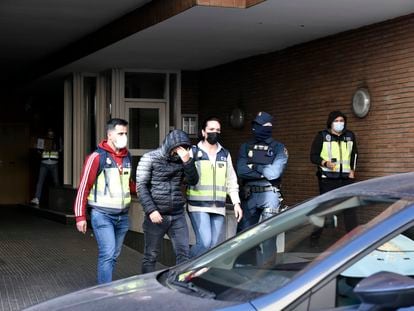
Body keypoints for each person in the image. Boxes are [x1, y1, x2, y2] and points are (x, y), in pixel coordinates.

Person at [73, 118, 134, 284]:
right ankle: (105, 292)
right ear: (109, 134)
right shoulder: (96, 157)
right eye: (120, 133)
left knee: (114, 255)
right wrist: (80, 216)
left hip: (123, 216)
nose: (124, 136)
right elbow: (84, 187)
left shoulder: (128, 157)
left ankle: (105, 285)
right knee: (107, 253)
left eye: (126, 133)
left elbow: (128, 184)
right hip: (102, 215)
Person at [137, 129, 199, 273]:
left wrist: (187, 162)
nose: (179, 152)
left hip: (177, 215)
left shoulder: (183, 160)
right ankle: (148, 289)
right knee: (150, 256)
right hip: (156, 216)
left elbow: (193, 181)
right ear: (169, 146)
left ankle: (180, 288)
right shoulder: (149, 158)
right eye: (177, 149)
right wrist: (151, 210)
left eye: (183, 148)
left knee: (184, 255)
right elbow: (141, 187)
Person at [236, 111, 288, 265]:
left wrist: (254, 166)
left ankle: (267, 273)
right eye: (258, 125)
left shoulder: (279, 148)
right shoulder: (245, 147)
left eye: (265, 126)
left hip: (270, 195)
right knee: (244, 236)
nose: (259, 129)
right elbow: (241, 170)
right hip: (249, 195)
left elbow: (274, 173)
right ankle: (243, 269)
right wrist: (264, 169)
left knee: (268, 238)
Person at [187, 116, 243, 258]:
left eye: (217, 130)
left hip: (218, 206)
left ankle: (201, 275)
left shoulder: (224, 154)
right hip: (198, 206)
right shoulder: (193, 152)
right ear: (203, 132)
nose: (214, 133)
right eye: (211, 129)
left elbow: (231, 179)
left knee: (214, 247)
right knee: (204, 243)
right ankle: (183, 266)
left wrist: (236, 203)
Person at [310, 110, 358, 243]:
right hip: (327, 179)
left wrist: (353, 170)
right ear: (330, 123)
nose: (339, 123)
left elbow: (354, 154)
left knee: (350, 210)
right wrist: (324, 163)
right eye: (336, 121)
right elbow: (313, 156)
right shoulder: (322, 136)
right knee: (324, 210)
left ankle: (354, 240)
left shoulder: (350, 136)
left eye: (341, 121)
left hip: (346, 179)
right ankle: (314, 239)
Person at [30, 128, 61, 206]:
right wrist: (39, 149)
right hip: (44, 163)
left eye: (51, 133)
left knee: (56, 182)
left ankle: (58, 199)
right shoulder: (43, 140)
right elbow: (38, 150)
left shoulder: (57, 140)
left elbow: (61, 149)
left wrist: (55, 148)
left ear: (53, 133)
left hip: (54, 163)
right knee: (40, 181)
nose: (50, 134)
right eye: (49, 133)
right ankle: (37, 198)